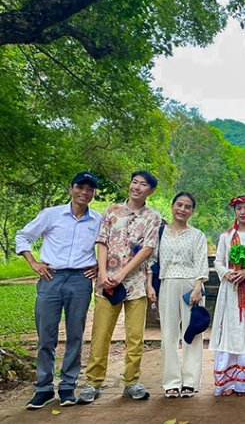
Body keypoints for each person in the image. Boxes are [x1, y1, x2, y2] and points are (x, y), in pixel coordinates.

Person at [16, 172, 101, 409]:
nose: (84, 192)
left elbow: (109, 246)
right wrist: (33, 262)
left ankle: (67, 387)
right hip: (50, 278)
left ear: (94, 193)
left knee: (75, 335)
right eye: (80, 187)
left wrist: (98, 265)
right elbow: (23, 235)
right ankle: (43, 388)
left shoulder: (98, 220)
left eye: (90, 189)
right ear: (71, 188)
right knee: (46, 335)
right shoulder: (51, 215)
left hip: (80, 280)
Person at [78, 171, 162, 403]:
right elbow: (102, 241)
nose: (136, 187)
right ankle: (93, 383)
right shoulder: (112, 210)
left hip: (135, 285)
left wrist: (123, 273)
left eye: (143, 184)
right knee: (100, 334)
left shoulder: (153, 217)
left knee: (135, 337)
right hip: (107, 283)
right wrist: (103, 273)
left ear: (151, 190)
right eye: (134, 182)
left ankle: (131, 382)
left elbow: (148, 248)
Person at [146, 192, 208, 398]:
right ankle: (171, 382)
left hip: (192, 285)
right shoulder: (160, 233)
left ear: (192, 211)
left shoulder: (197, 235)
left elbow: (201, 262)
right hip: (167, 284)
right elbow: (152, 262)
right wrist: (150, 285)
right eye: (179, 205)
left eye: (187, 206)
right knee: (168, 334)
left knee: (192, 333)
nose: (182, 209)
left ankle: (190, 381)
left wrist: (198, 288)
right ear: (172, 206)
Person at [209, 195, 245, 396]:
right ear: (234, 211)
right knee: (231, 330)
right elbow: (218, 261)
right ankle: (228, 381)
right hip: (230, 289)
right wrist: (227, 273)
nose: (242, 212)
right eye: (239, 208)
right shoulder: (226, 236)